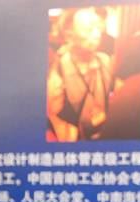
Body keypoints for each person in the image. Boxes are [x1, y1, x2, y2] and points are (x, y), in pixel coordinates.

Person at [47, 8, 119, 141]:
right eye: (89, 29)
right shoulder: (59, 70)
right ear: (69, 36)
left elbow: (117, 90)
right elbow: (56, 115)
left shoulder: (105, 60)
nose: (97, 34)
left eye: (98, 28)